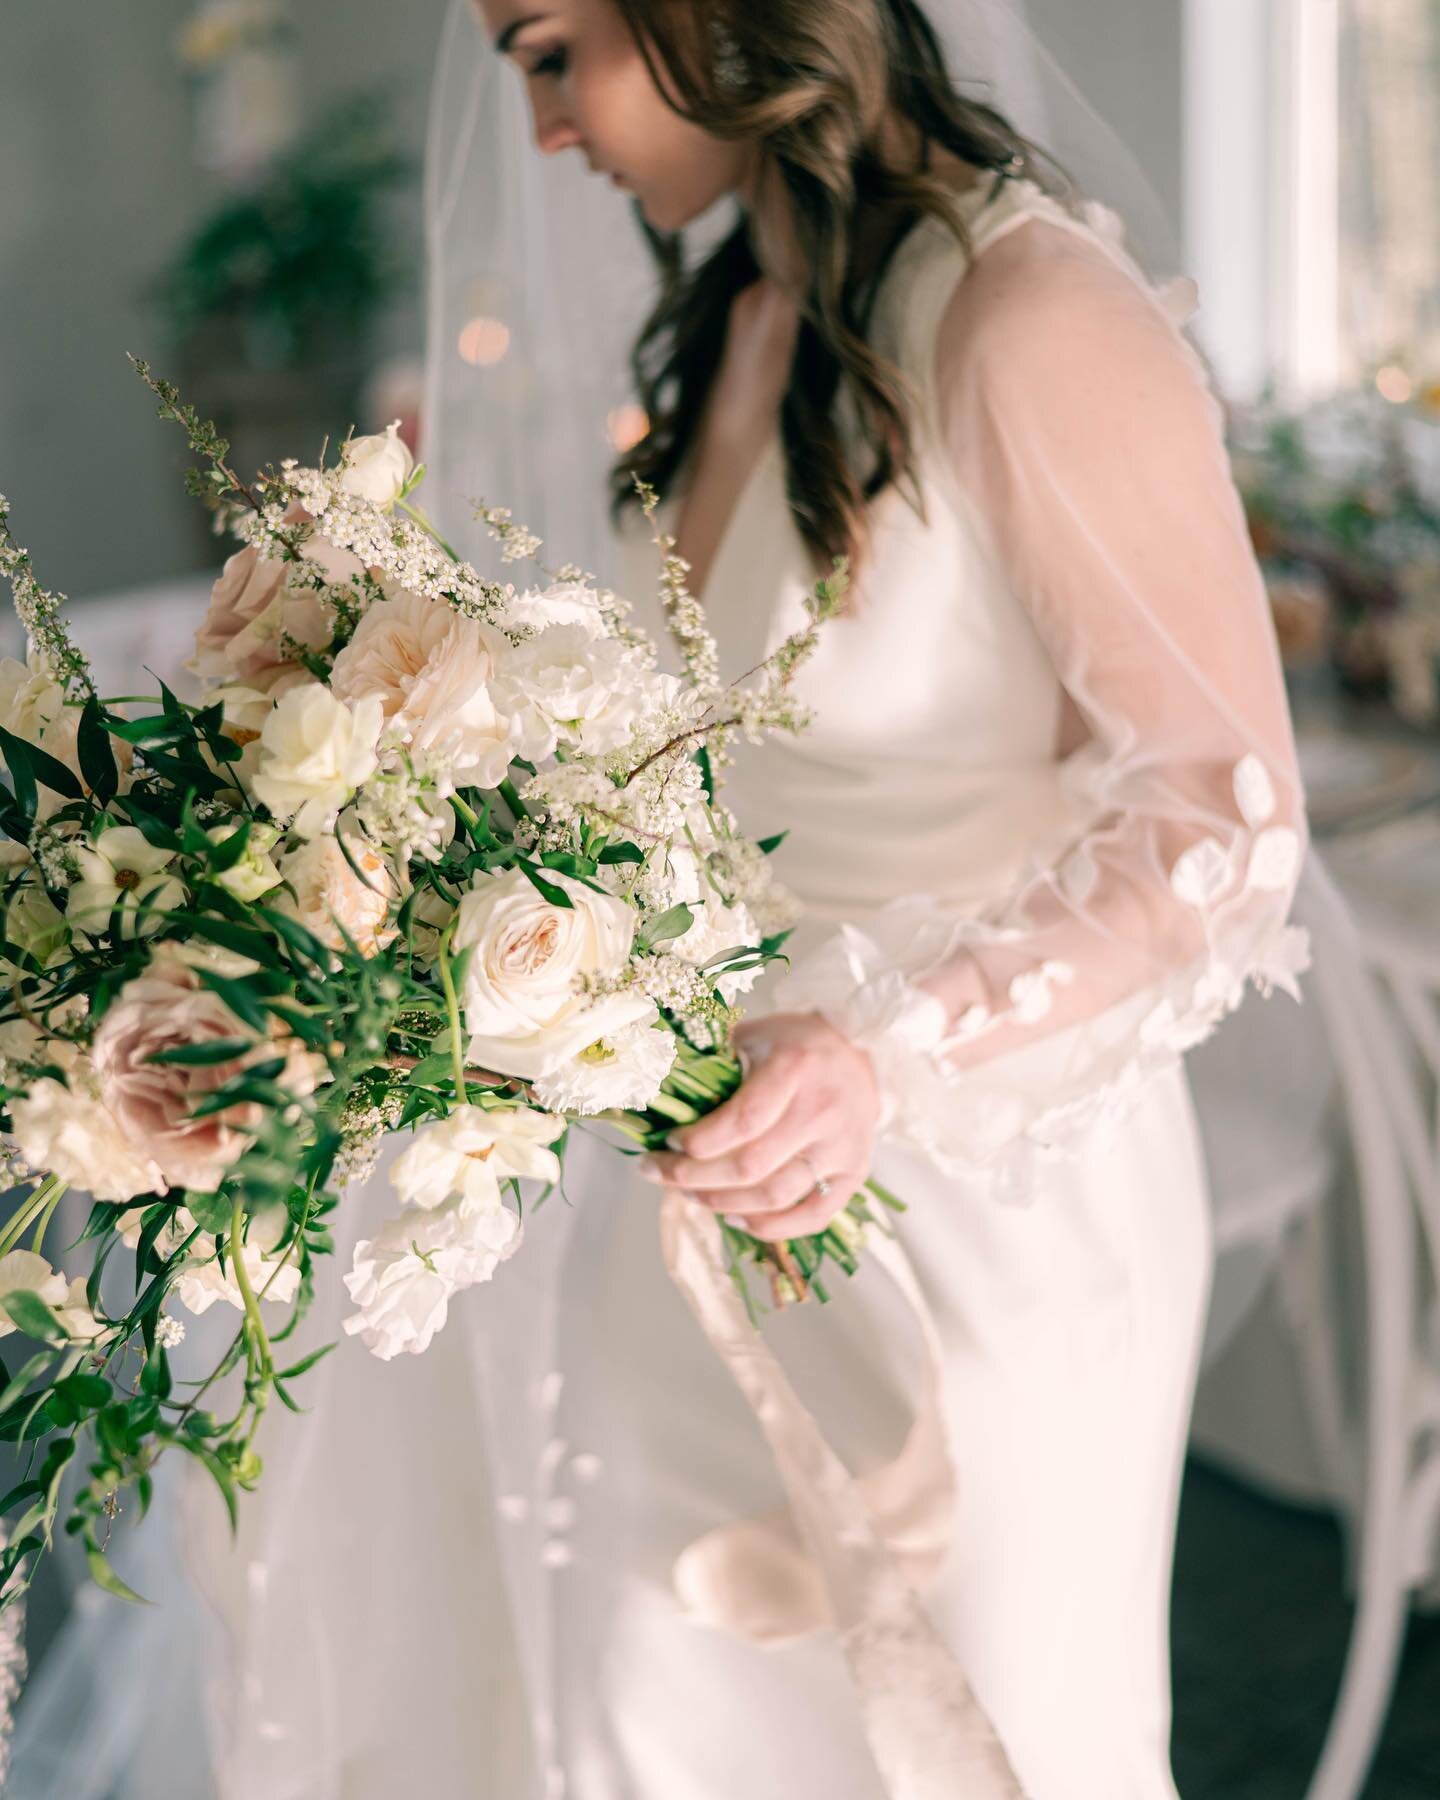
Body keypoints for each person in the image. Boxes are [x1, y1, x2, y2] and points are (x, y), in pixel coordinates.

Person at [8, 2, 1314, 1796]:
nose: (542, 128)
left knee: (966, 1734)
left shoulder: (1029, 314)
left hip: (974, 1199)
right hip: (702, 1164)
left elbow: (1219, 822)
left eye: (555, 51)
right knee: (659, 1711)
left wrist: (880, 1056)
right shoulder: (743, 318)